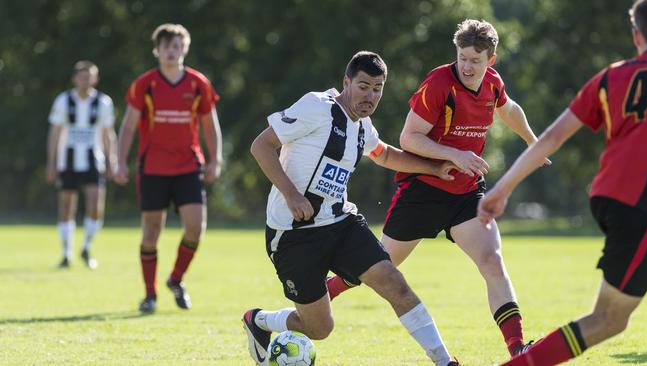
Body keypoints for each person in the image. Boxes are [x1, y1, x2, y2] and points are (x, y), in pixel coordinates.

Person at [326, 19, 548, 356]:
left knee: (492, 261)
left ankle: (517, 348)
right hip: (423, 192)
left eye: (475, 60)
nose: (467, 66)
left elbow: (509, 109)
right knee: (376, 269)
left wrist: (533, 141)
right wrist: (455, 154)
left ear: (491, 59)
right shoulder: (439, 83)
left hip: (466, 194)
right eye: (462, 57)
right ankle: (318, 296)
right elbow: (408, 138)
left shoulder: (492, 82)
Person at [244, 51, 461, 366]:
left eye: (377, 88)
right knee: (320, 328)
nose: (370, 95)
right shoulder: (317, 107)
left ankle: (444, 362)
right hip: (293, 234)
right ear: (346, 82)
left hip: (341, 224)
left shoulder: (363, 126)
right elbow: (260, 146)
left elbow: (383, 154)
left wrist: (433, 168)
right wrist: (292, 195)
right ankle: (261, 320)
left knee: (394, 283)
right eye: (363, 86)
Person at [477, 1, 647, 365]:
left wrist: (503, 187)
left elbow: (553, 136)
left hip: (612, 196)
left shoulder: (609, 77)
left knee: (609, 319)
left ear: (636, 35)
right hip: (641, 204)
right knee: (608, 319)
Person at [114, 23, 223, 313]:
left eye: (177, 46)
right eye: (166, 46)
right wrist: (119, 160)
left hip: (188, 165)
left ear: (184, 49)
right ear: (157, 50)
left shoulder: (198, 83)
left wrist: (215, 159)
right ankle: (149, 295)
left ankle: (176, 279)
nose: (171, 51)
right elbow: (127, 125)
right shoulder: (145, 84)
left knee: (195, 228)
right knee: (151, 232)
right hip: (153, 168)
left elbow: (210, 125)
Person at [46, 60, 116, 270]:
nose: (85, 81)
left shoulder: (103, 102)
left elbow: (108, 134)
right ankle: (66, 253)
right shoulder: (64, 101)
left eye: (90, 77)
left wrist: (112, 160)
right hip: (67, 160)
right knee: (66, 206)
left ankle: (86, 247)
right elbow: (55, 133)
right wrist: (51, 163)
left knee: (95, 205)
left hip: (93, 160)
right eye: (82, 77)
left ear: (95, 79)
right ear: (75, 79)